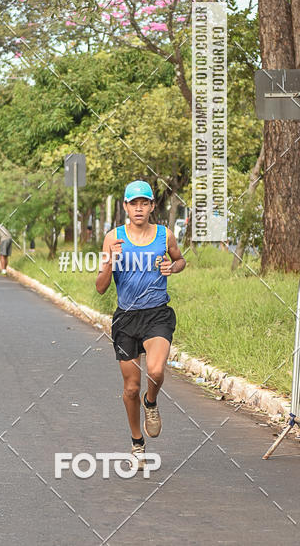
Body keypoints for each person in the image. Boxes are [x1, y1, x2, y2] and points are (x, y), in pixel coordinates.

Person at [96, 180, 186, 468]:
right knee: (131, 387)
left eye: (144, 203)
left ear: (151, 207)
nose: (139, 208)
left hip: (157, 313)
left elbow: (180, 260)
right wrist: (110, 261)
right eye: (133, 203)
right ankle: (137, 442)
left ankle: (152, 402)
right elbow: (100, 287)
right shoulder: (113, 237)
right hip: (126, 318)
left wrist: (172, 267)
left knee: (156, 370)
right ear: (125, 206)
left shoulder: (165, 234)